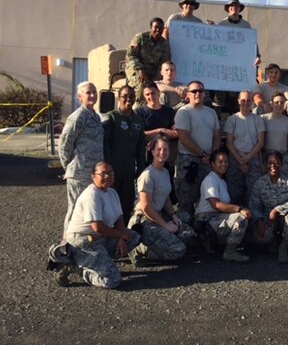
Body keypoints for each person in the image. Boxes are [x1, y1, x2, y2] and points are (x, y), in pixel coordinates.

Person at [50, 161, 141, 289]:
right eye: (103, 174)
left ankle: (101, 263)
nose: (107, 177)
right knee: (112, 280)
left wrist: (122, 238)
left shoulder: (112, 193)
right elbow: (97, 227)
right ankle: (74, 266)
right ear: (93, 176)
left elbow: (119, 220)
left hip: (101, 238)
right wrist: (121, 234)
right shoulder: (92, 195)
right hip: (83, 241)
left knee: (133, 237)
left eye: (110, 173)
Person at [127, 136, 195, 266]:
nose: (162, 152)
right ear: (152, 151)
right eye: (158, 149)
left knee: (188, 234)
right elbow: (146, 207)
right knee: (178, 249)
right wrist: (165, 225)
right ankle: (140, 249)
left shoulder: (164, 172)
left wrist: (173, 216)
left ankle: (159, 241)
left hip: (158, 214)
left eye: (165, 149)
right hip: (144, 219)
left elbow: (166, 198)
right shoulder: (148, 175)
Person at [59, 81, 104, 235]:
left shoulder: (95, 117)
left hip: (93, 173)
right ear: (80, 97)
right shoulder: (77, 117)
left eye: (94, 92)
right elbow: (65, 144)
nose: (92, 95)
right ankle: (66, 243)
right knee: (75, 208)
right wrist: (69, 167)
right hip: (79, 173)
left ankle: (84, 241)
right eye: (88, 92)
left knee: (90, 208)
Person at [194, 149, 251, 262]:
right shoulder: (210, 179)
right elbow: (216, 204)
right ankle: (230, 252)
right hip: (205, 219)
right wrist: (239, 209)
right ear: (212, 164)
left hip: (215, 217)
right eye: (220, 162)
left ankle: (217, 245)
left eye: (226, 161)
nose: (224, 164)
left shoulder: (222, 181)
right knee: (241, 218)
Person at [174, 80, 221, 216]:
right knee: (186, 201)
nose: (197, 93)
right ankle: (185, 233)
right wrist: (202, 154)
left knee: (206, 201)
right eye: (194, 91)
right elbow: (184, 138)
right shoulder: (183, 112)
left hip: (207, 162)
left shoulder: (211, 113)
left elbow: (217, 136)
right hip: (189, 162)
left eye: (200, 91)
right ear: (188, 94)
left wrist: (212, 155)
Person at [102, 85, 146, 224]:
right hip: (113, 169)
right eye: (125, 96)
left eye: (131, 96)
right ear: (119, 98)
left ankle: (125, 234)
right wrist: (108, 169)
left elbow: (140, 147)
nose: (128, 99)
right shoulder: (112, 117)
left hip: (129, 170)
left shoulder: (138, 120)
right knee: (110, 202)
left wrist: (140, 169)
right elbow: (105, 144)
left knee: (126, 203)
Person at [250, 151, 288, 263]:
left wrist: (277, 210)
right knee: (261, 238)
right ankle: (273, 240)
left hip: (286, 215)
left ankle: (284, 246)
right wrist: (259, 220)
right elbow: (254, 205)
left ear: (281, 164)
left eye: (276, 162)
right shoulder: (260, 183)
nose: (273, 166)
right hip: (268, 218)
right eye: (269, 163)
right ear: (265, 165)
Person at [224, 90, 265, 205]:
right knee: (234, 193)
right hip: (235, 159)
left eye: (248, 100)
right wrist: (241, 160)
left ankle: (254, 220)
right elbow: (229, 143)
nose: (246, 103)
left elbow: (261, 142)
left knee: (254, 193)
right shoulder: (232, 120)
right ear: (238, 102)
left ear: (252, 102)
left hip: (253, 158)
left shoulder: (258, 120)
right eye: (243, 100)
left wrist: (247, 158)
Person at [125, 17, 171, 104]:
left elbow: (164, 61)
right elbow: (131, 56)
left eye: (160, 28)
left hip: (153, 72)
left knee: (158, 87)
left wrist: (157, 77)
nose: (158, 30)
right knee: (142, 86)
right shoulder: (140, 38)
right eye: (156, 27)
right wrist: (141, 71)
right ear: (151, 27)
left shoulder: (163, 44)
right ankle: (137, 108)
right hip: (136, 68)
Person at [135, 82, 178, 166]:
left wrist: (158, 136)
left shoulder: (169, 111)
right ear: (144, 96)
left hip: (165, 158)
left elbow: (176, 133)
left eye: (153, 93)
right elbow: (138, 134)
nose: (151, 97)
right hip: (144, 158)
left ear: (158, 92)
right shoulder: (139, 112)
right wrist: (161, 130)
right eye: (147, 94)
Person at [218, 0, 261, 67]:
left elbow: (253, 42)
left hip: (241, 60)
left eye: (236, 6)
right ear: (228, 9)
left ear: (239, 9)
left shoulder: (246, 25)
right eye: (231, 6)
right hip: (225, 60)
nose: (234, 8)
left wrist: (257, 56)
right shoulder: (222, 24)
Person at [261, 92, 288, 174]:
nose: (279, 105)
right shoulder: (263, 119)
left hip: (283, 156)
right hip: (267, 155)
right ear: (271, 103)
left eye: (282, 102)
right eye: (276, 102)